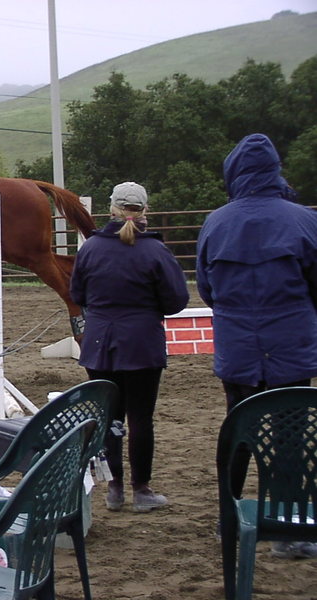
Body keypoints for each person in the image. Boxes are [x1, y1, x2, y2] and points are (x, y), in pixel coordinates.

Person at [196, 133, 317, 559]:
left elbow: (207, 288)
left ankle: (227, 518)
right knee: (291, 438)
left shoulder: (215, 223)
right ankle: (289, 529)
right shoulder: (304, 221)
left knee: (239, 431)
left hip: (238, 349)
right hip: (291, 348)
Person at [70, 182, 189, 513]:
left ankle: (115, 488)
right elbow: (177, 300)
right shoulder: (155, 251)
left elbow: (77, 294)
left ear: (111, 208)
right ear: (144, 210)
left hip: (99, 342)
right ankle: (142, 489)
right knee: (140, 418)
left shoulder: (91, 248)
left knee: (109, 417)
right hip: (141, 342)